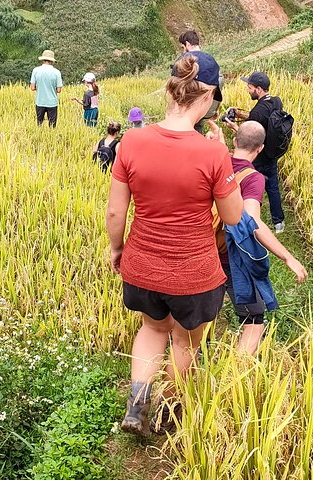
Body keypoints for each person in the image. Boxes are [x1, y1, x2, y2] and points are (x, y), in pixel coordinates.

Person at [106, 52, 243, 437]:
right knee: (184, 340)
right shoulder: (212, 152)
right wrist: (225, 159)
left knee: (152, 328)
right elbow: (232, 218)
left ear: (170, 89)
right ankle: (168, 411)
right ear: (209, 97)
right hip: (193, 274)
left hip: (142, 265)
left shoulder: (131, 142)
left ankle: (136, 406)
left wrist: (118, 249)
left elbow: (117, 214)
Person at [210, 120, 307, 355]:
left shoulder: (216, 162)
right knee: (254, 317)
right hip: (231, 255)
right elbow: (252, 221)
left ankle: (192, 371)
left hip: (203, 249)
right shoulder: (253, 178)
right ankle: (238, 373)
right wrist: (287, 257)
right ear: (260, 148)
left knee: (201, 316)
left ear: (235, 141)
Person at [226, 72, 286, 233]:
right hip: (271, 153)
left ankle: (247, 220)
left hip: (257, 155)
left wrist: (234, 126)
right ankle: (279, 223)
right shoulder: (275, 101)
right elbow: (263, 120)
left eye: (250, 87)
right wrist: (240, 114)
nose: (247, 89)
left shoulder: (258, 111)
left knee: (248, 186)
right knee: (273, 187)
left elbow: (249, 136)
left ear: (258, 89)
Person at [176, 30, 223, 133]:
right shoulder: (211, 60)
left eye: (183, 48)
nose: (183, 51)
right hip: (203, 109)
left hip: (184, 112)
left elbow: (175, 89)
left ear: (187, 44)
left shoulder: (183, 60)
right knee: (197, 132)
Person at [30, 50, 63, 128]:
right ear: (52, 61)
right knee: (52, 125)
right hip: (52, 102)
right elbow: (59, 90)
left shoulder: (36, 70)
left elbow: (32, 87)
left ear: (43, 59)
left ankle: (39, 137)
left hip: (40, 101)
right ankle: (51, 138)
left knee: (39, 123)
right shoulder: (57, 72)